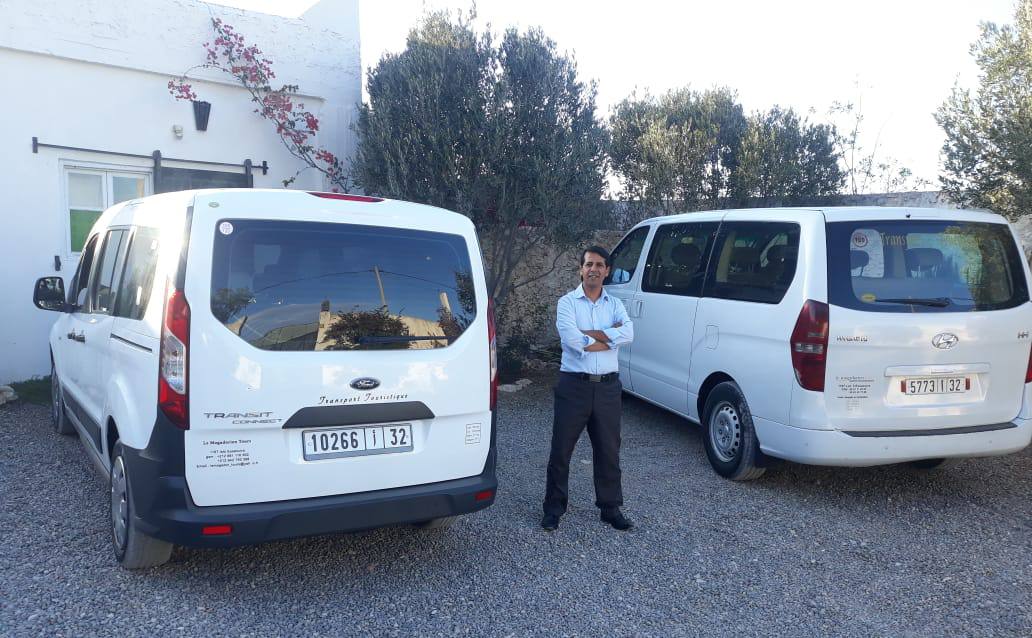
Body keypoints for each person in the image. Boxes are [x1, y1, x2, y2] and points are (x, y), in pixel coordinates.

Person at [542, 246, 634, 531]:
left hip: (608, 389)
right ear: (581, 269)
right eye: (588, 264)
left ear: (607, 271)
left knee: (608, 451)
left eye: (599, 265)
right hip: (574, 387)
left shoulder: (615, 304)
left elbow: (629, 333)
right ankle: (554, 509)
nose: (593, 269)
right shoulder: (567, 303)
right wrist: (610, 337)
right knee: (561, 451)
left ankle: (610, 508)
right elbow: (571, 340)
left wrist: (589, 336)